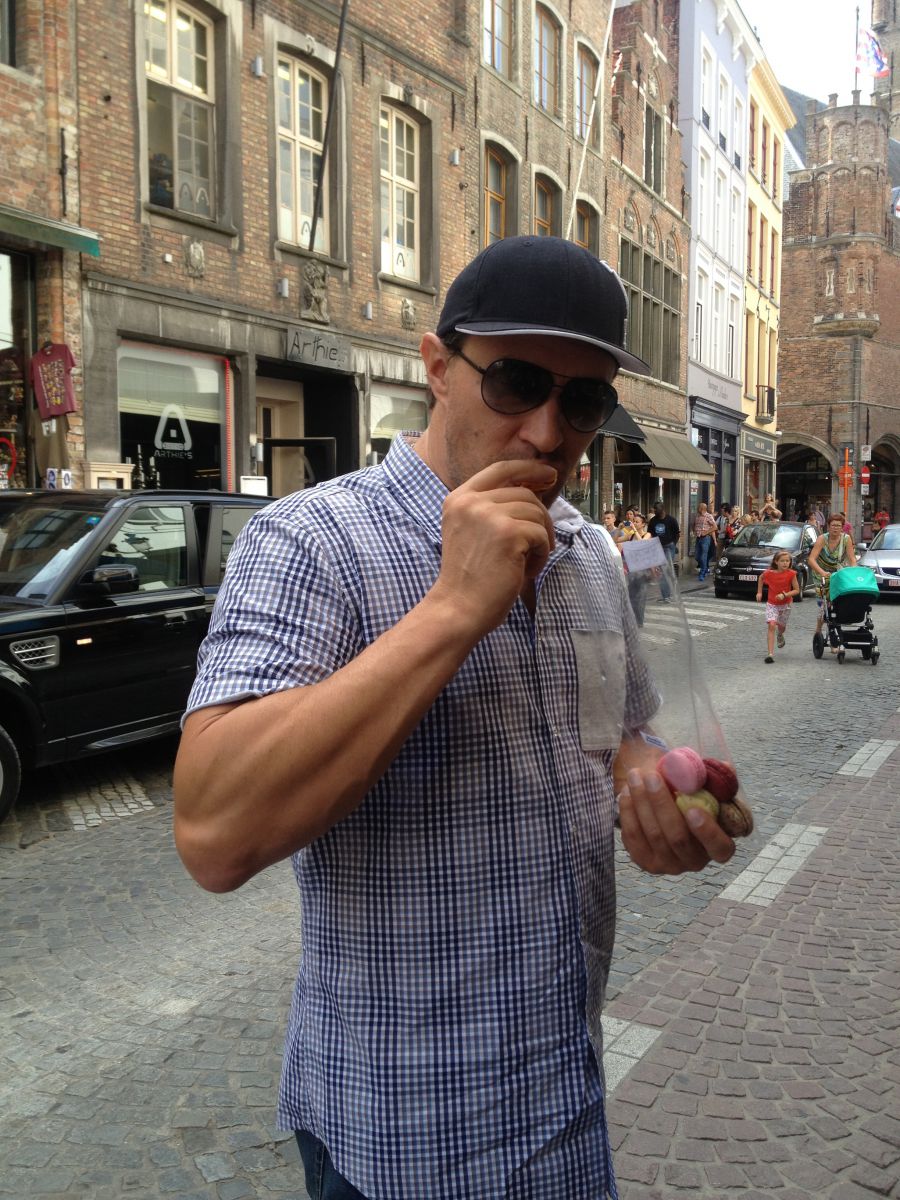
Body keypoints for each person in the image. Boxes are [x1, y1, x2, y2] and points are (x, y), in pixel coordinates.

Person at [172, 235, 734, 1200]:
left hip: (565, 1100)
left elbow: (616, 739)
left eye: (583, 402)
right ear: (437, 366)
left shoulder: (588, 554)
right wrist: (453, 607)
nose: (548, 433)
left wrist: (654, 793)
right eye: (516, 382)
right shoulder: (311, 540)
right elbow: (214, 834)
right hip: (402, 1131)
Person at [808, 511, 858, 645]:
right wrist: (822, 572)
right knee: (825, 605)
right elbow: (811, 559)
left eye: (838, 526)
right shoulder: (822, 539)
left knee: (836, 603)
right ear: (828, 526)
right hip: (821, 574)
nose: (835, 528)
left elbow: (852, 559)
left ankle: (833, 632)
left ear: (842, 527)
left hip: (837, 574)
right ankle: (819, 629)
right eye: (833, 525)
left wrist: (853, 572)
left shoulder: (846, 539)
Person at [756, 549, 800, 663]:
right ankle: (770, 654)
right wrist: (759, 592)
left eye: (787, 561)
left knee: (781, 627)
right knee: (771, 625)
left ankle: (780, 634)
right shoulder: (769, 573)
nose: (785, 563)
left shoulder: (791, 574)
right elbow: (761, 578)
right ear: (776, 562)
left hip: (786, 604)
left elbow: (797, 590)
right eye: (782, 561)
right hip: (772, 604)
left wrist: (785, 595)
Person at [624, 510, 653, 626]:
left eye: (637, 522)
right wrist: (620, 529)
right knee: (631, 596)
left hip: (643, 570)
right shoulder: (631, 535)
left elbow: (641, 544)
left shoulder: (647, 534)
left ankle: (639, 621)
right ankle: (632, 620)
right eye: (634, 521)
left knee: (640, 597)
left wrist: (634, 530)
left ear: (643, 524)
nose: (634, 523)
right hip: (632, 569)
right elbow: (616, 540)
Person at [649, 500, 680, 601]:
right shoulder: (653, 521)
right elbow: (650, 534)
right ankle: (666, 595)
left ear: (662, 509)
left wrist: (673, 543)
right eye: (654, 509)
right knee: (662, 571)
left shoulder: (671, 520)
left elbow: (677, 533)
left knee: (665, 569)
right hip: (657, 547)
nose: (654, 511)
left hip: (668, 547)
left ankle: (667, 596)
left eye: (656, 509)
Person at [692, 501, 718, 582]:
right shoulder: (697, 516)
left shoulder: (708, 516)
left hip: (705, 538)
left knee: (703, 555)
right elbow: (694, 525)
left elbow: (715, 527)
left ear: (702, 508)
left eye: (698, 507)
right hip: (698, 538)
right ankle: (705, 567)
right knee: (697, 556)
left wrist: (706, 532)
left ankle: (702, 573)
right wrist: (694, 531)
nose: (697, 508)